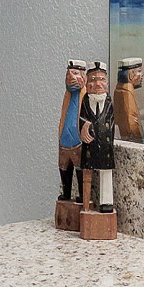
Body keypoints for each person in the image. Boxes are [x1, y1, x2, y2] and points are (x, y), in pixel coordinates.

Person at [80, 62, 117, 213]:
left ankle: (106, 201)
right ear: (87, 83)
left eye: (101, 79)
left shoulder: (109, 102)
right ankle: (86, 201)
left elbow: (112, 121)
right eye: (93, 80)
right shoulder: (85, 101)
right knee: (88, 170)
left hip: (105, 145)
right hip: (89, 144)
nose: (98, 84)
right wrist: (83, 126)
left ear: (107, 83)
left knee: (106, 172)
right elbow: (81, 118)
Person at [56, 59, 87, 203]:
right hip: (64, 141)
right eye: (68, 74)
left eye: (75, 74)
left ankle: (82, 195)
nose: (70, 78)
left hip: (77, 141)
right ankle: (66, 194)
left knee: (79, 168)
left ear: (83, 77)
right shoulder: (67, 95)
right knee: (64, 168)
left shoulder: (85, 96)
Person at [114, 57, 144, 142]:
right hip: (133, 139)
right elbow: (132, 122)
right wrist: (139, 138)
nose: (142, 74)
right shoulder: (127, 92)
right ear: (130, 75)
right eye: (139, 71)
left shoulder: (120, 89)